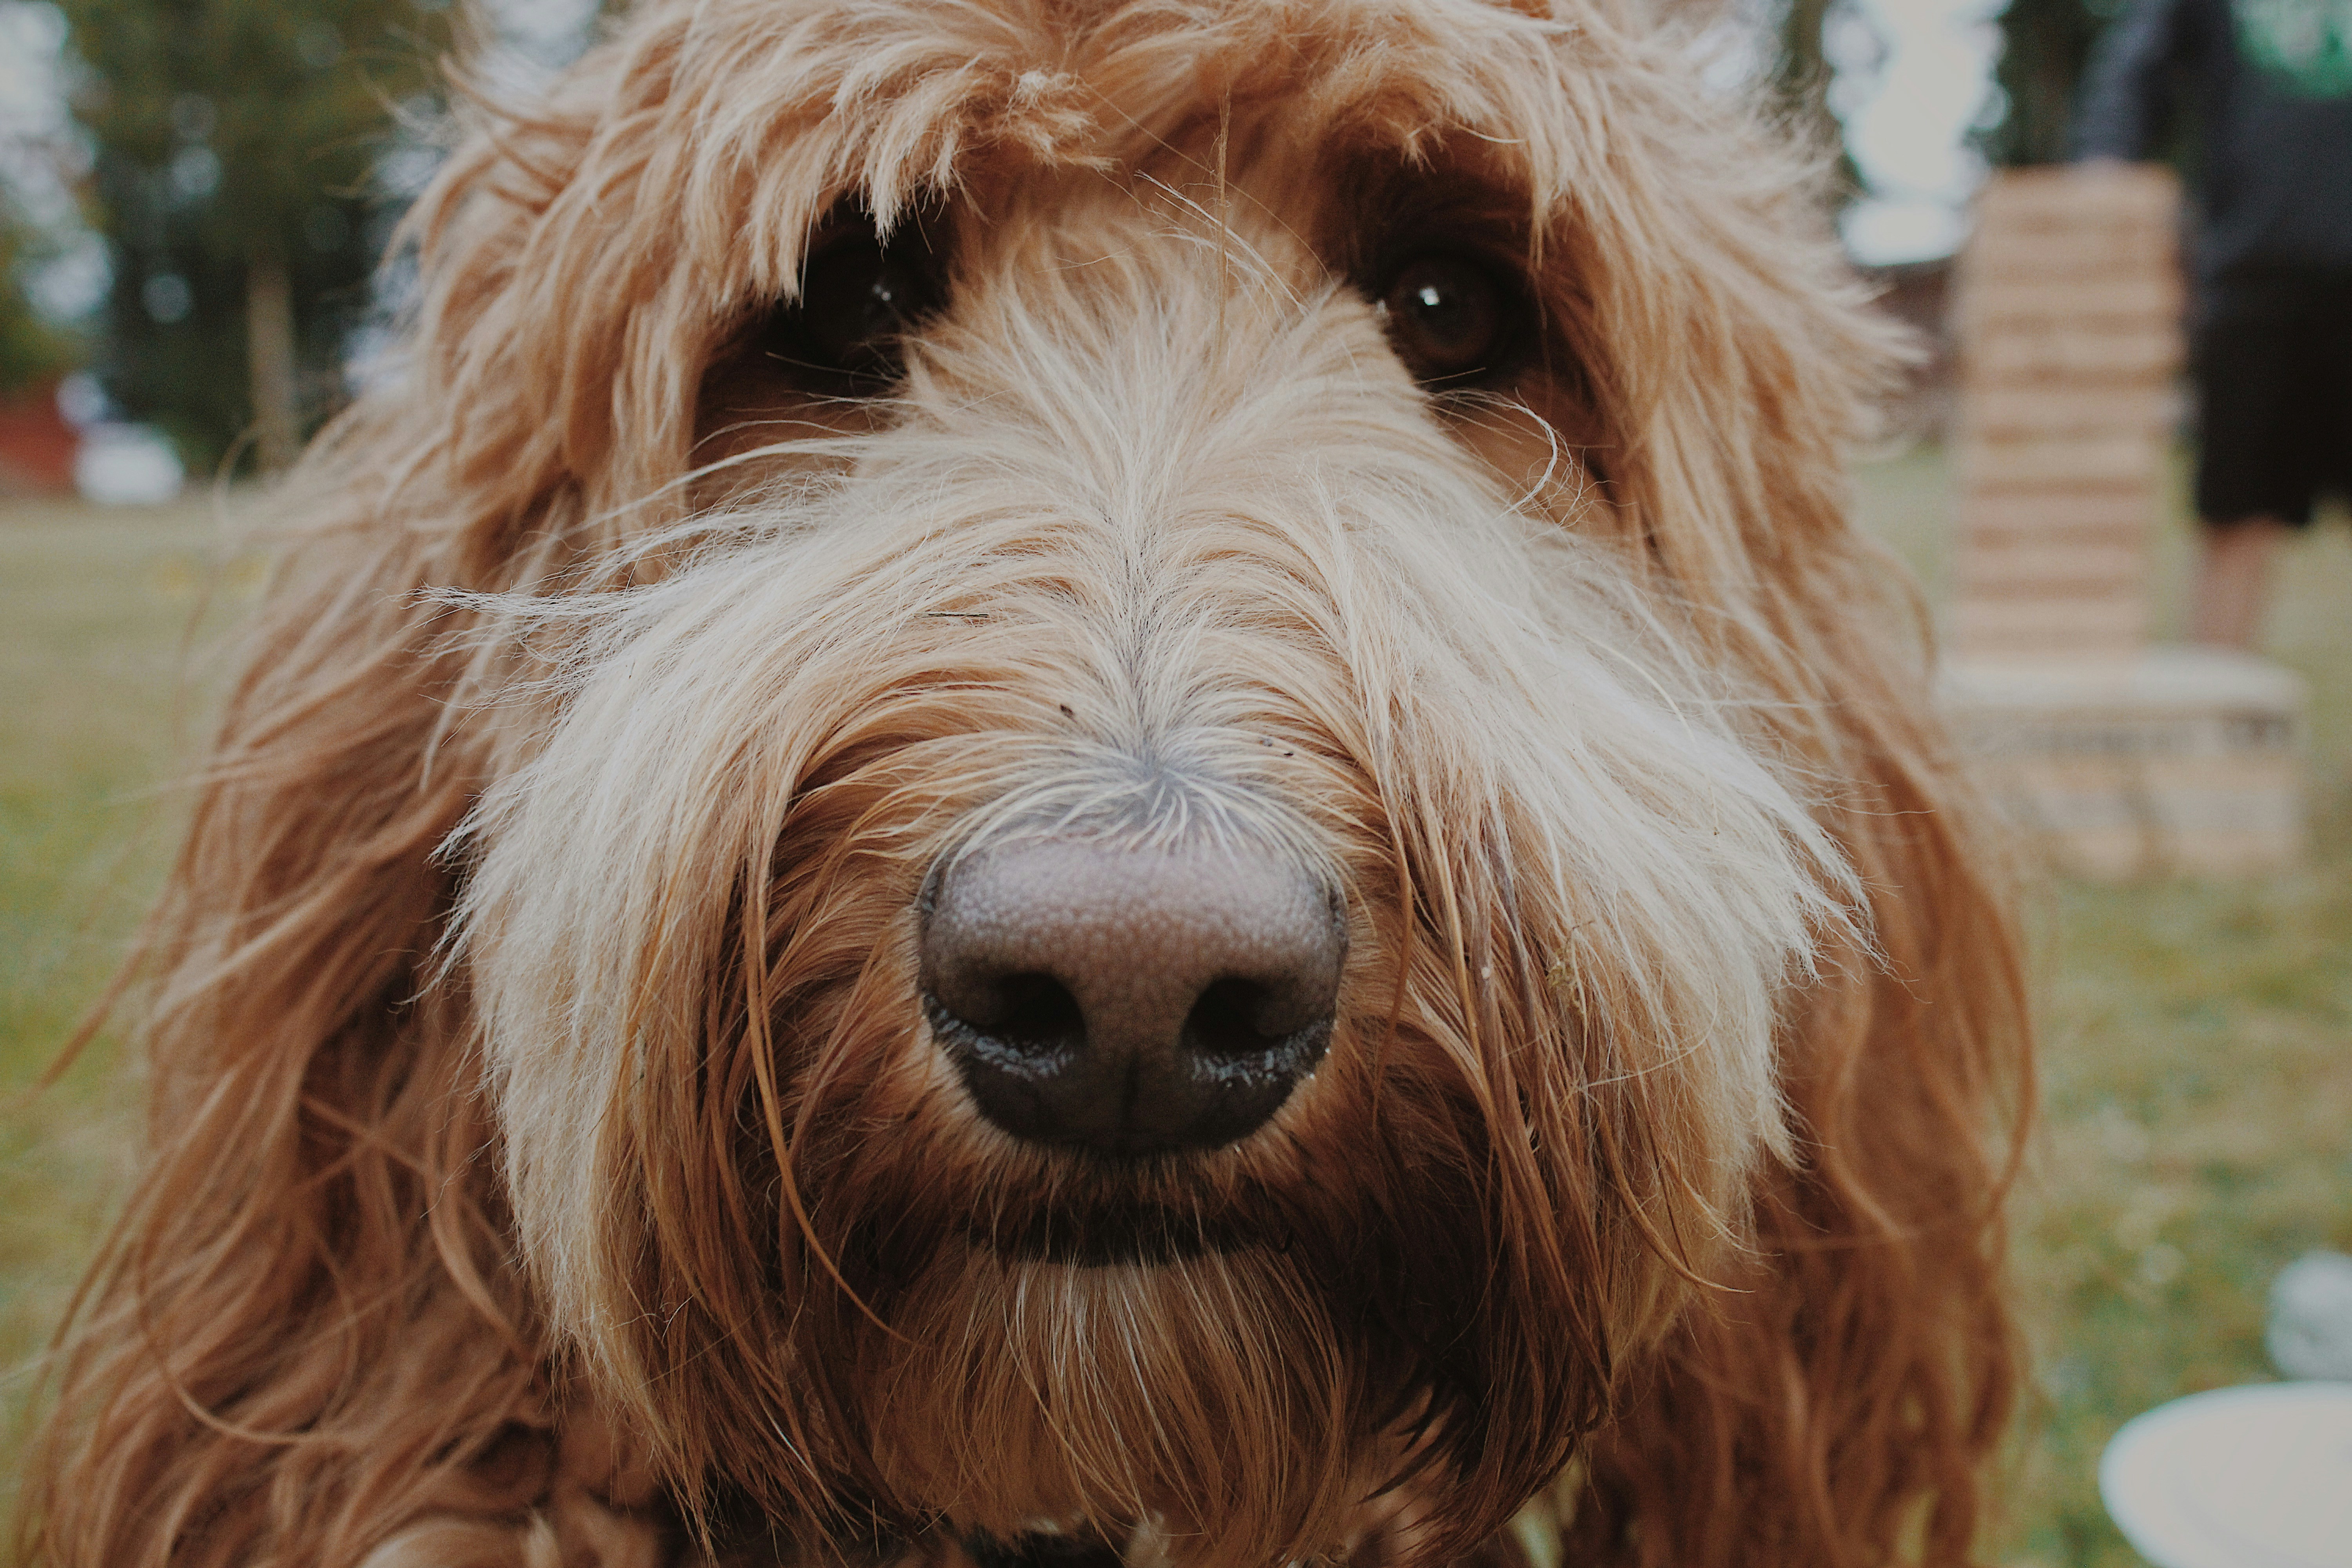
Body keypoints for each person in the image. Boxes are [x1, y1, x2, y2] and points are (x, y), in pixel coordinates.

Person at [2074, 0, 2352, 649]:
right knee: (2235, 512)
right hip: (2252, 275)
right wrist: (2106, 163)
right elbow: (2135, 69)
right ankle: (2220, 697)